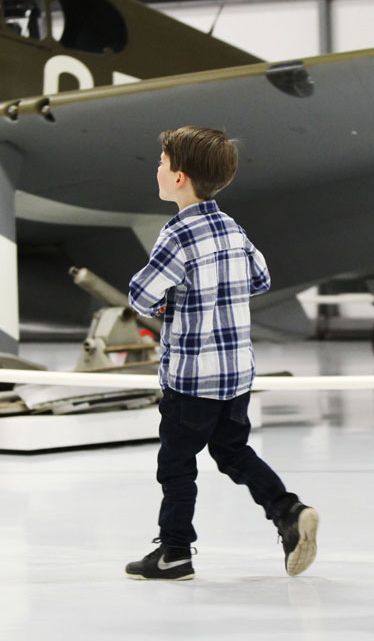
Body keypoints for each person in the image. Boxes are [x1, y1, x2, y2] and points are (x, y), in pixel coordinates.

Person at [125, 126, 318, 581]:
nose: (157, 167)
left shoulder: (177, 234)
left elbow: (140, 294)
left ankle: (174, 552)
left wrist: (172, 302)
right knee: (233, 452)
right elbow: (261, 278)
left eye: (161, 161)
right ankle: (288, 511)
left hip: (191, 379)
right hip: (235, 376)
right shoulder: (232, 227)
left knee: (176, 465)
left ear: (179, 178)